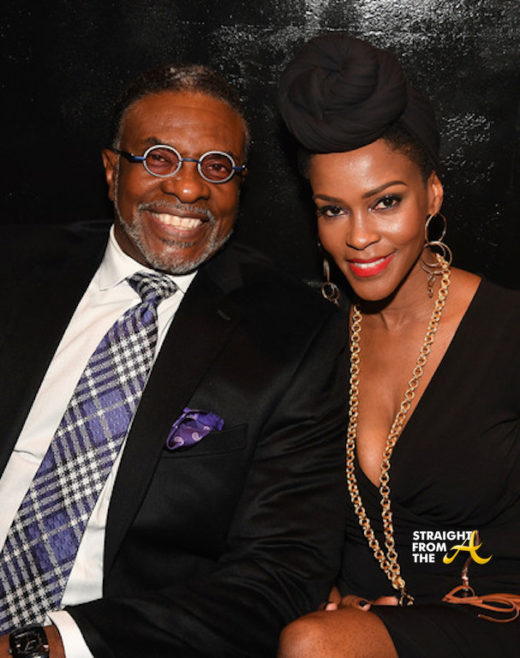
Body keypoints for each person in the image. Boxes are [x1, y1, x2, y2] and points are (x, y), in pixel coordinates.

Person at [0, 63, 348, 657]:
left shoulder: (296, 335)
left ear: (241, 185)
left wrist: (49, 647)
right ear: (113, 170)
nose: (188, 189)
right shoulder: (15, 269)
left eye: (217, 167)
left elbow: (283, 573)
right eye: (159, 158)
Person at [276, 33, 520, 657]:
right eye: (333, 210)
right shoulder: (314, 338)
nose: (359, 237)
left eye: (385, 202)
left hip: (500, 613)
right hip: (362, 626)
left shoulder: (507, 333)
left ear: (432, 194)